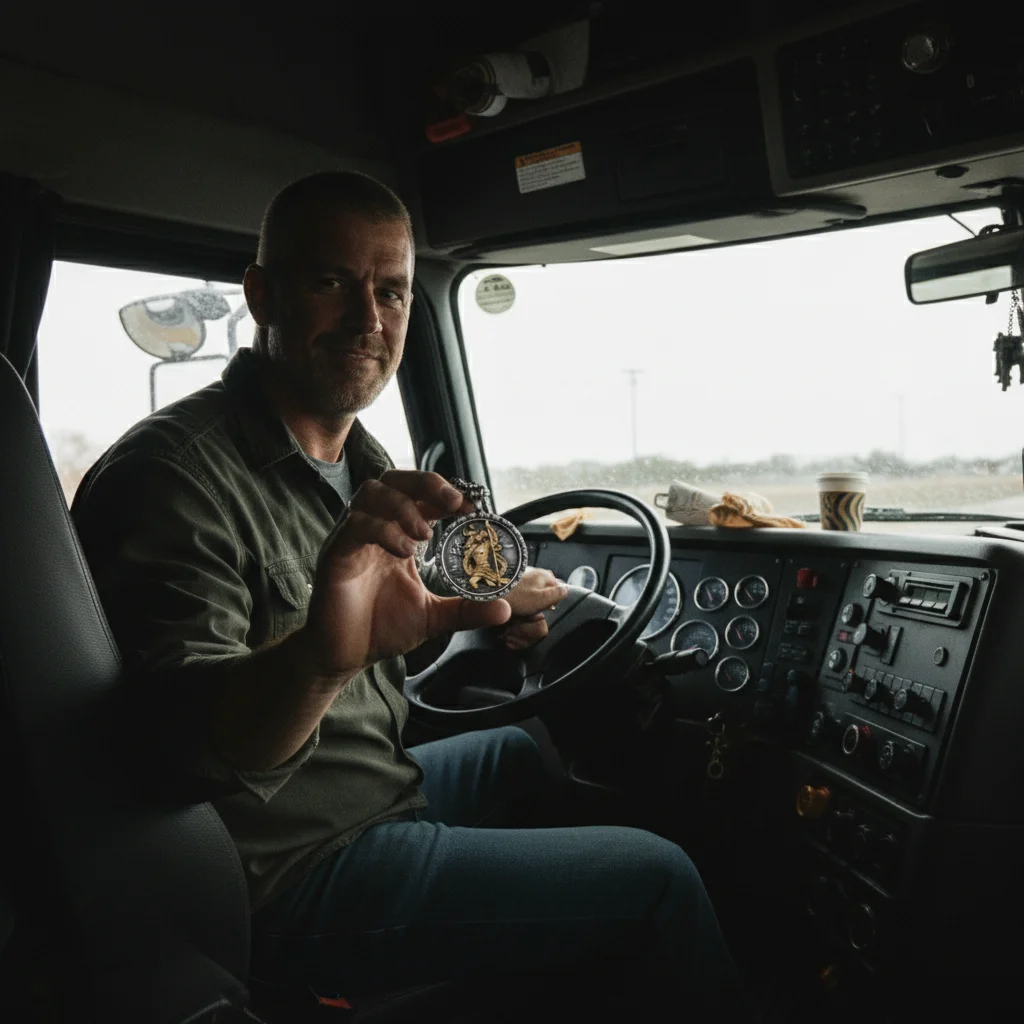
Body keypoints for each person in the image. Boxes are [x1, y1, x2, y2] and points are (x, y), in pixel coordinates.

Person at [71, 171, 743, 1018]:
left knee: (519, 751)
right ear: (262, 296)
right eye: (331, 283)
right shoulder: (173, 477)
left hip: (365, 794)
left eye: (390, 291)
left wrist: (483, 616)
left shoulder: (366, 463)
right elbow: (180, 748)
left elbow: (392, 623)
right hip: (279, 870)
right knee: (659, 880)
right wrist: (321, 658)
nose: (368, 320)